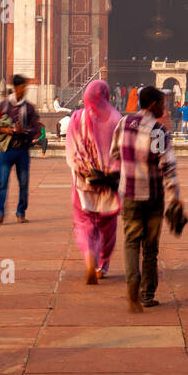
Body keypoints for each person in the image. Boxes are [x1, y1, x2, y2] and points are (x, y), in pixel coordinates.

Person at [110, 84, 183, 312]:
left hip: (129, 193)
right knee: (150, 248)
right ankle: (147, 293)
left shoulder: (123, 124)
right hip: (153, 196)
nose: (165, 107)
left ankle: (132, 279)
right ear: (153, 104)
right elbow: (167, 165)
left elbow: (114, 155)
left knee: (131, 242)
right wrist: (175, 197)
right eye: (163, 103)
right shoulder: (158, 131)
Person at [66, 79, 122, 284]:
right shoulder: (116, 118)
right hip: (109, 182)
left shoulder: (77, 118)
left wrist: (84, 169)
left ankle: (89, 257)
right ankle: (101, 266)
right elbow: (122, 151)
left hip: (85, 180)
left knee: (84, 222)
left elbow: (71, 151)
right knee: (107, 226)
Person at [0, 75, 41, 224]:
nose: (24, 90)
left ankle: (21, 212)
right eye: (23, 87)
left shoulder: (28, 108)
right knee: (3, 182)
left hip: (22, 150)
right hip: (7, 149)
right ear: (17, 87)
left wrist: (22, 130)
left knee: (23, 183)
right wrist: (5, 130)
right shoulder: (4, 105)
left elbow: (35, 128)